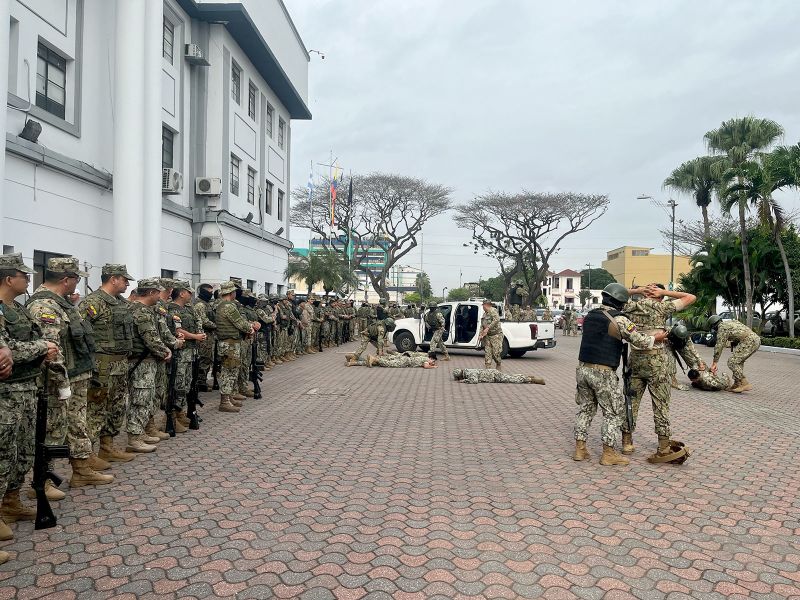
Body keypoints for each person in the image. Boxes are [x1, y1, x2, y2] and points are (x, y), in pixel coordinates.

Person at [26, 257, 112, 492]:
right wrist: (62, 382)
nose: (77, 284)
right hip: (58, 381)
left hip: (76, 374)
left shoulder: (61, 303)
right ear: (66, 279)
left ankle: (82, 469)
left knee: (76, 424)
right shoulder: (44, 306)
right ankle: (41, 482)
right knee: (52, 430)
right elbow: (51, 350)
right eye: (76, 279)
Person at [0, 253, 58, 552]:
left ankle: (11, 502)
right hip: (7, 393)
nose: (29, 279)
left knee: (22, 451)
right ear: (9, 279)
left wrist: (41, 350)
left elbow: (18, 348)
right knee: (3, 452)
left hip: (26, 387)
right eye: (24, 275)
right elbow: (8, 349)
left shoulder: (19, 310)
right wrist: (41, 347)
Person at [573, 283, 665, 466]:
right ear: (621, 302)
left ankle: (580, 449)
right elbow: (640, 339)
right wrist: (657, 338)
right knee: (614, 413)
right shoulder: (620, 319)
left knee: (586, 409)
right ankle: (608, 453)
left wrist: (637, 290)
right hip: (603, 372)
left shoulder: (590, 315)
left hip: (583, 369)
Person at [621, 284, 696, 461]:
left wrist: (636, 291)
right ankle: (663, 446)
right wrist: (665, 292)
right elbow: (690, 297)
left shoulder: (630, 306)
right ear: (659, 296)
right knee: (661, 405)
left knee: (631, 402)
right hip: (657, 363)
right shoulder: (662, 306)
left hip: (635, 361)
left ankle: (627, 442)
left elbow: (613, 293)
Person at [79, 264, 137, 463]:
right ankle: (88, 455)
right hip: (102, 364)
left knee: (116, 407)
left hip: (120, 363)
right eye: (124, 279)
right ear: (113, 279)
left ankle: (107, 447)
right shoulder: (92, 302)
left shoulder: (121, 302)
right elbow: (80, 335)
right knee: (96, 409)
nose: (127, 283)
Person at [168, 281, 206, 431]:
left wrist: (199, 336)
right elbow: (179, 331)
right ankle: (172, 416)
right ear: (182, 293)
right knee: (178, 385)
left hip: (190, 353)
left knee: (186, 384)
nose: (191, 295)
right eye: (189, 292)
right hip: (180, 353)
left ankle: (180, 412)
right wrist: (195, 336)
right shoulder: (172, 310)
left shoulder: (187, 310)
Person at [213, 281, 253, 412]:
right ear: (231, 293)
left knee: (231, 371)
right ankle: (224, 401)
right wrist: (250, 328)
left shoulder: (220, 305)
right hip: (230, 344)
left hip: (227, 343)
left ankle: (228, 397)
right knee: (229, 372)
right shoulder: (229, 306)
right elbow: (241, 323)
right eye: (235, 291)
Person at [708, 315, 761, 392]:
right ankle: (737, 384)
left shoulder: (722, 328)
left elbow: (719, 346)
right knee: (738, 362)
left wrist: (715, 362)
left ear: (714, 325)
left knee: (732, 362)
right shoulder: (731, 322)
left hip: (749, 341)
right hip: (755, 340)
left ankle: (743, 382)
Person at [193, 283, 217, 390]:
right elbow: (204, 321)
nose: (211, 294)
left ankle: (203, 381)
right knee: (203, 359)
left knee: (208, 359)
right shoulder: (199, 304)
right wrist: (217, 326)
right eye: (209, 292)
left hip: (209, 335)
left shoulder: (206, 304)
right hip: (203, 336)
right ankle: (200, 382)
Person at [478, 299, 503, 370]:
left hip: (495, 335)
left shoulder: (493, 310)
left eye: (483, 305)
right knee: (487, 353)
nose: (482, 307)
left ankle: (498, 364)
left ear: (486, 305)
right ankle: (488, 369)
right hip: (488, 336)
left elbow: (496, 319)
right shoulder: (484, 314)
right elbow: (482, 326)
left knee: (496, 353)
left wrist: (488, 328)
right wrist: (481, 334)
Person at [452, 368, 545, 385]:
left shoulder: (469, 374)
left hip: (494, 376)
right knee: (509, 376)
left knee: (511, 380)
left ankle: (529, 379)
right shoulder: (468, 370)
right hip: (493, 373)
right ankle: (525, 376)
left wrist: (464, 381)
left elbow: (474, 380)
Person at [365, 351, 438, 369]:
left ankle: (376, 358)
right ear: (431, 359)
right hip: (406, 361)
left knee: (392, 360)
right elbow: (426, 366)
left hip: (406, 358)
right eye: (433, 362)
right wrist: (433, 367)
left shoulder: (425, 358)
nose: (433, 363)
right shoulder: (427, 359)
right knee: (391, 364)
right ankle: (375, 359)